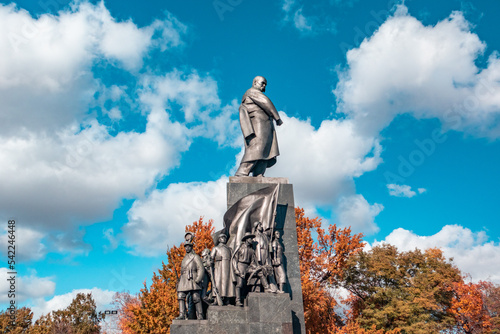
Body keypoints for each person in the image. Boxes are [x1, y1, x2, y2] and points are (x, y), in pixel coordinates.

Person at [235, 76, 283, 177]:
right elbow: (266, 102)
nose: (264, 85)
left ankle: (259, 173)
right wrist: (277, 117)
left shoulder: (254, 92)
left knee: (266, 149)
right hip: (258, 124)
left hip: (265, 124)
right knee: (258, 146)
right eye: (262, 83)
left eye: (265, 84)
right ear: (255, 83)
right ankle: (242, 172)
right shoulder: (252, 92)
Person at [175, 239, 204, 320]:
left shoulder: (195, 257)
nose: (187, 248)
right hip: (184, 279)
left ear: (191, 247)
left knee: (196, 297)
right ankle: (182, 315)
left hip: (192, 278)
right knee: (180, 296)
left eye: (188, 246)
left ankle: (200, 315)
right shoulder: (184, 258)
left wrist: (198, 279)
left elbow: (201, 268)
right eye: (186, 247)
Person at [210, 233, 235, 305]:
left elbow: (233, 258)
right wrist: (213, 260)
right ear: (219, 239)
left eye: (224, 238)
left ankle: (227, 300)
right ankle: (216, 300)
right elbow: (211, 258)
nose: (223, 239)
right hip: (219, 267)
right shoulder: (216, 248)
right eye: (222, 238)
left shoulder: (229, 249)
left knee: (228, 283)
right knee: (218, 283)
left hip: (228, 267)